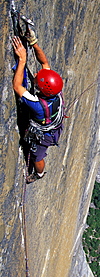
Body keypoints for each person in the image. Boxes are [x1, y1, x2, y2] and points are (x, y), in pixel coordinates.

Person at [12, 30, 64, 184]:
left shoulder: (38, 106)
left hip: (45, 135)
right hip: (53, 122)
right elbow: (45, 63)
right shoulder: (55, 89)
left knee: (37, 156)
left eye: (38, 79)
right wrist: (34, 42)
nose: (37, 74)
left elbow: (17, 86)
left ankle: (39, 174)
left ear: (41, 89)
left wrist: (22, 60)